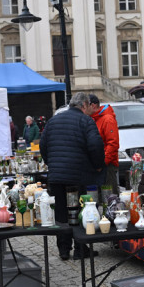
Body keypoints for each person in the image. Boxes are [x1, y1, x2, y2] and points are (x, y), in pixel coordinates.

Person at [39, 92, 105, 260]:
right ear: (83, 105)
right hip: (79, 174)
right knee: (81, 211)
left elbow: (43, 146)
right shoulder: (86, 121)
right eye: (89, 105)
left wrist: (52, 163)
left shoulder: (53, 121)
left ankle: (63, 249)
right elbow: (96, 145)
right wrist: (98, 165)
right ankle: (80, 249)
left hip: (57, 176)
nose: (90, 108)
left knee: (61, 214)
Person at [87, 94, 120, 197]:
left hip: (107, 165)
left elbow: (113, 143)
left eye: (85, 106)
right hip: (101, 164)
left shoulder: (107, 119)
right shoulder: (95, 118)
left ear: (92, 105)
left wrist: (103, 162)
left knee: (110, 197)